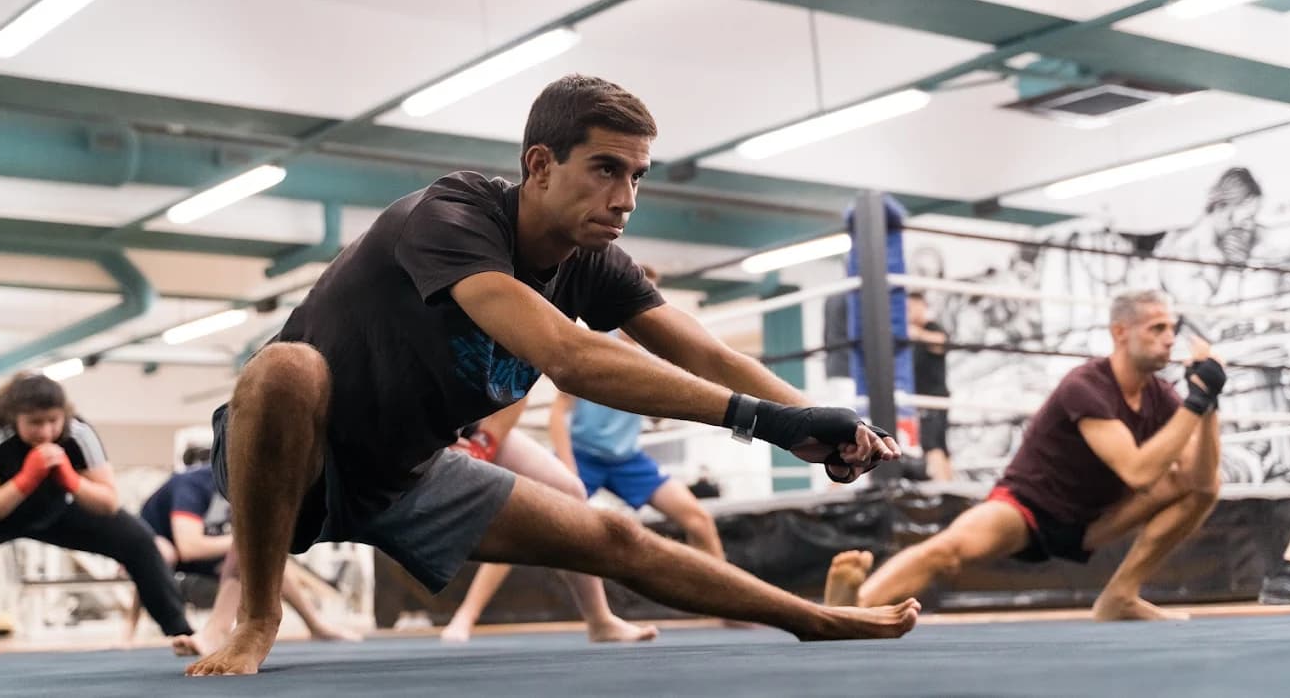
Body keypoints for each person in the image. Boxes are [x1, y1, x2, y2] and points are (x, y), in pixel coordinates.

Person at [189, 73, 916, 677]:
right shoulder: (454, 217)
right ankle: (258, 617)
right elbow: (567, 355)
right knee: (284, 369)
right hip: (295, 449)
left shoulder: (595, 263)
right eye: (606, 169)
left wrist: (822, 419)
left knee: (617, 537)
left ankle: (815, 619)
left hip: (405, 474)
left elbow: (710, 354)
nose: (626, 198)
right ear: (540, 165)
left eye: (636, 176)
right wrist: (768, 422)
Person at [825, 290, 1225, 622]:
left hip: (1092, 523)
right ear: (1120, 332)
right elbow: (1138, 472)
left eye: (1171, 328)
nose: (1170, 338)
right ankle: (848, 613)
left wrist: (1207, 403)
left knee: (1201, 488)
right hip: (1029, 510)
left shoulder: (1162, 397)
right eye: (1157, 328)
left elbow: (1203, 481)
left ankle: (1120, 596)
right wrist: (1196, 401)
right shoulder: (1086, 385)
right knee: (946, 552)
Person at [0, 373, 201, 656]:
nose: (46, 432)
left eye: (53, 420)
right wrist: (26, 479)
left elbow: (108, 502)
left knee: (138, 541)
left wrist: (70, 478)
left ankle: (182, 633)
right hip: (3, 512)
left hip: (61, 510)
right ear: (15, 418)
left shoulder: (77, 432)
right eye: (35, 423)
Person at [440, 394, 658, 643]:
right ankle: (466, 614)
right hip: (411, 430)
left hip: (469, 429)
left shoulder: (511, 363)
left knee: (569, 492)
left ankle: (600, 619)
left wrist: (483, 444)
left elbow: (515, 394)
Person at [125, 447, 358, 652]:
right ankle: (136, 630)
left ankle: (315, 624)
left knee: (263, 554)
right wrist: (252, 538)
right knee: (167, 551)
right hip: (162, 546)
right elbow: (189, 547)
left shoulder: (248, 486)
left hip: (204, 551)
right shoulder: (193, 485)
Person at [907, 291, 953, 482]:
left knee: (931, 444)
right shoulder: (908, 340)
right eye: (908, 308)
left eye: (914, 307)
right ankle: (950, 488)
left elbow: (941, 342)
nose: (911, 312)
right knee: (939, 446)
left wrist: (917, 333)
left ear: (923, 307)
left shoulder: (931, 328)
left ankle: (945, 491)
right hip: (924, 400)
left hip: (933, 398)